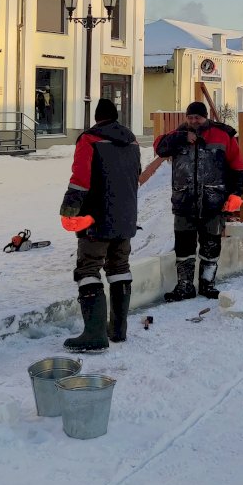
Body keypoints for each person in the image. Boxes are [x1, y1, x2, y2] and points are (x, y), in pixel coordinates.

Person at [58, 98, 141, 352]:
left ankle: (94, 334)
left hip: (96, 218)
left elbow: (80, 179)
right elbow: (135, 174)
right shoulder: (132, 141)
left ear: (96, 118)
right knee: (119, 268)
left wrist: (69, 210)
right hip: (125, 217)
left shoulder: (89, 139)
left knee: (88, 269)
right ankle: (117, 329)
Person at [154, 101, 243, 301]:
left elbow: (238, 167)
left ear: (205, 117)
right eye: (190, 117)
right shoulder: (178, 135)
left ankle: (207, 284)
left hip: (213, 202)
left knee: (211, 245)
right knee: (184, 247)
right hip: (184, 201)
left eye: (197, 117)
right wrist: (180, 137)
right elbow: (159, 148)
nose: (193, 121)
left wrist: (236, 193)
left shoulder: (223, 135)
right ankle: (185, 286)